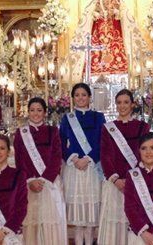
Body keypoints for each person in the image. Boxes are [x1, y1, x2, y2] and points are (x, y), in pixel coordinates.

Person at [98, 89, 151, 245]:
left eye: (126, 102)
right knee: (115, 221)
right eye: (119, 103)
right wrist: (115, 179)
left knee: (134, 220)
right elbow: (105, 155)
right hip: (114, 183)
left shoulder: (143, 127)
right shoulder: (108, 128)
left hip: (136, 182)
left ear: (132, 104)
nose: (122, 106)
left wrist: (132, 179)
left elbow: (145, 154)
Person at [13, 97, 67, 244]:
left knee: (50, 222)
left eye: (39, 110)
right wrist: (30, 180)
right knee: (32, 224)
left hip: (49, 183)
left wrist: (44, 180)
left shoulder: (53, 131)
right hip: (29, 185)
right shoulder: (20, 133)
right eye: (32, 110)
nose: (35, 114)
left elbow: (57, 157)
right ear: (28, 112)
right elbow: (19, 160)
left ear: (45, 113)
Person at [59, 83, 106, 245]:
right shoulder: (67, 119)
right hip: (74, 169)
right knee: (78, 221)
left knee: (91, 220)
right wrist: (73, 158)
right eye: (77, 95)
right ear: (73, 98)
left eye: (84, 95)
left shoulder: (99, 117)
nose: (80, 98)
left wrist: (88, 158)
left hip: (92, 168)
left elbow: (103, 142)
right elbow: (60, 143)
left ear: (89, 97)